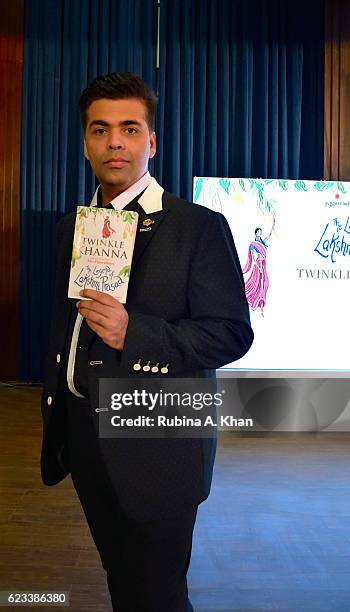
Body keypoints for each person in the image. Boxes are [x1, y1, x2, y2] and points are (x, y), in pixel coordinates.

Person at [40, 72, 253, 612]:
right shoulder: (72, 226)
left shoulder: (200, 227)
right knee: (122, 581)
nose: (115, 141)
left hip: (159, 443)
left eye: (130, 128)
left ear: (150, 142)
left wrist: (136, 333)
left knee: (155, 594)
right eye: (101, 129)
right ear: (85, 142)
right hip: (84, 433)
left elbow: (230, 334)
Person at [242, 216, 275, 316]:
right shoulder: (253, 244)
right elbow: (253, 256)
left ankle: (261, 305)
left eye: (261, 232)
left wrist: (273, 225)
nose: (260, 234)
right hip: (258, 265)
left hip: (263, 265)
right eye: (259, 232)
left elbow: (268, 236)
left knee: (265, 283)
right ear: (256, 233)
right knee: (257, 283)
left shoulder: (261, 242)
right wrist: (258, 267)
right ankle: (257, 304)